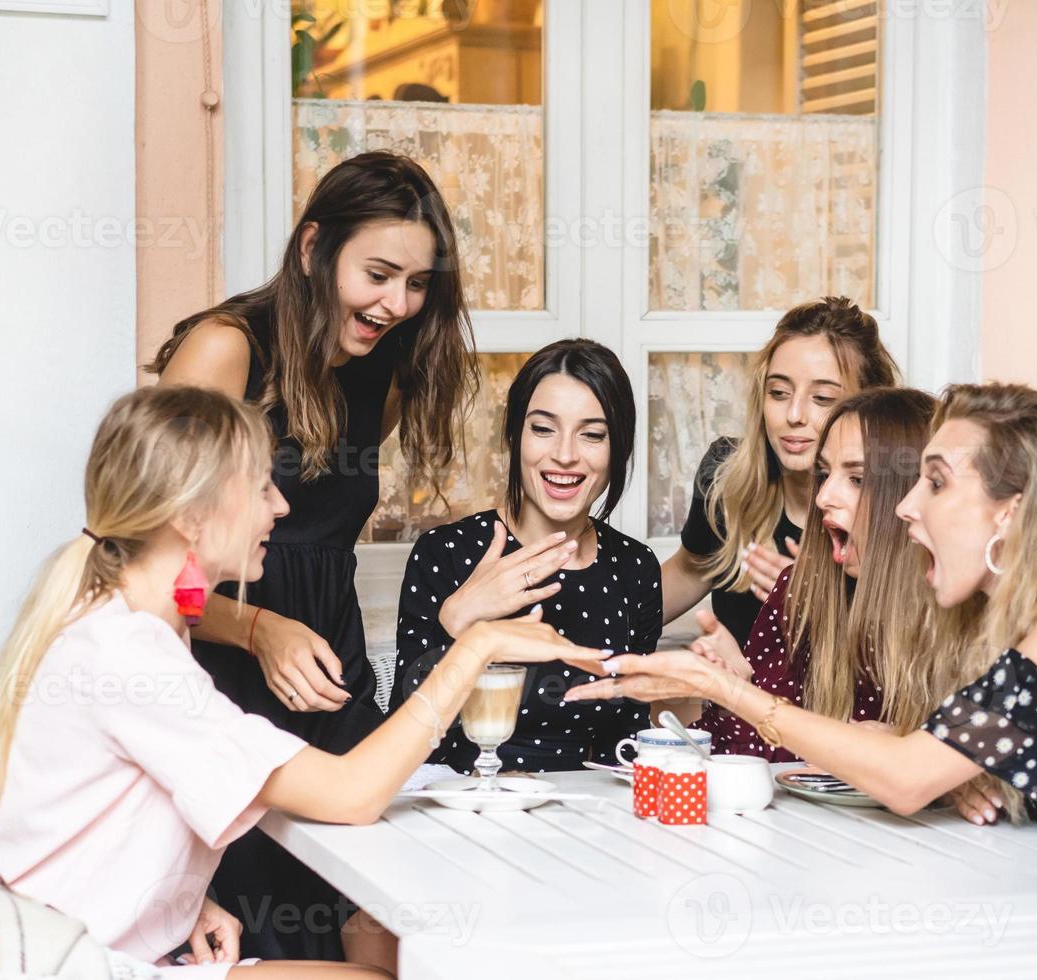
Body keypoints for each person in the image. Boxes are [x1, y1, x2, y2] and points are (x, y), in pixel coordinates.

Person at [0, 386, 604, 978]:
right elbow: (349, 795)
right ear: (191, 517)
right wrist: (477, 646)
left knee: (386, 947)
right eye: (262, 488)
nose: (280, 507)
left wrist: (181, 899)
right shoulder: (129, 655)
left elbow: (87, 818)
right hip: (59, 966)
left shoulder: (122, 619)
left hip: (68, 945)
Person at [568, 383, 1037, 892]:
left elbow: (909, 776)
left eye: (935, 484)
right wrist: (943, 765)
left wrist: (721, 689)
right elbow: (918, 760)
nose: (906, 507)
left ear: (1012, 510)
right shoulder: (1013, 616)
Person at [147, 151, 478, 959]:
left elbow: (322, 542)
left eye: (417, 282)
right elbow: (135, 566)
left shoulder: (384, 375)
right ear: (311, 251)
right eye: (377, 273)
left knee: (387, 912)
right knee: (262, 934)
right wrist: (257, 629)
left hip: (329, 676)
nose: (396, 303)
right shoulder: (225, 350)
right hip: (220, 679)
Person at [390, 340, 660, 771]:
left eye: (592, 434)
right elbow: (404, 734)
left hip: (586, 813)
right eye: (543, 428)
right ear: (515, 436)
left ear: (618, 449)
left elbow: (625, 737)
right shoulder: (447, 552)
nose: (566, 454)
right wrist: (457, 624)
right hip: (464, 806)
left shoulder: (634, 567)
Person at [687, 388, 937, 762]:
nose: (823, 497)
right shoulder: (799, 593)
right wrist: (739, 692)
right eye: (824, 473)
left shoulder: (961, 611)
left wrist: (915, 751)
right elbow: (769, 759)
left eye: (856, 479)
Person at [660, 297, 900, 657]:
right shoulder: (725, 476)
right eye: (779, 393)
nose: (794, 414)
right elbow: (688, 571)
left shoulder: (903, 511)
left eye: (822, 398)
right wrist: (571, 632)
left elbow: (896, 676)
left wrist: (816, 606)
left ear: (871, 408)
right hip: (734, 710)